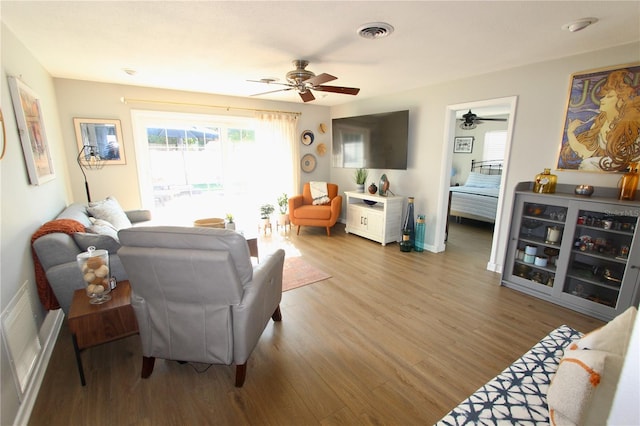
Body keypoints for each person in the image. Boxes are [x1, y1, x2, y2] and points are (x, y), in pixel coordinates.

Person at [560, 69, 640, 171]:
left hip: (626, 170)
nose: (602, 99)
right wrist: (570, 133)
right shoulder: (600, 123)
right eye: (604, 96)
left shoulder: (630, 125)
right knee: (587, 164)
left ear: (621, 101)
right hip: (605, 166)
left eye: (609, 97)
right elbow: (586, 154)